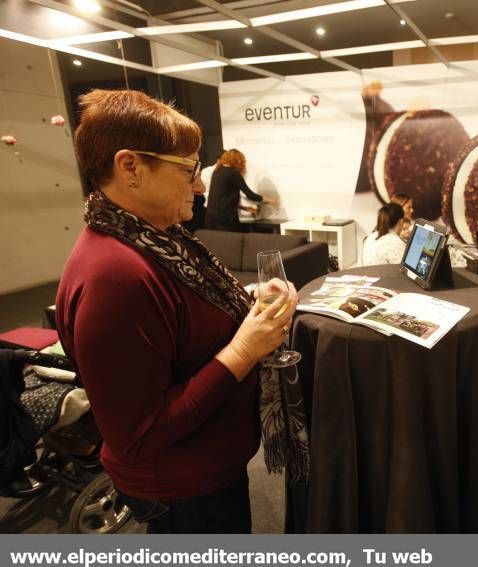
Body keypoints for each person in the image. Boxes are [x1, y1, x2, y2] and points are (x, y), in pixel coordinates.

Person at [55, 90, 299, 534]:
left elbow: (181, 316)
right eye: (189, 169)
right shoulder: (115, 275)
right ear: (130, 167)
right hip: (183, 486)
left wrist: (246, 296)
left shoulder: (156, 241)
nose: (201, 185)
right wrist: (246, 347)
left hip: (205, 471)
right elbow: (139, 434)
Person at [206, 149, 276, 232]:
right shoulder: (233, 173)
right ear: (238, 161)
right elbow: (250, 195)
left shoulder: (217, 171)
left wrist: (244, 208)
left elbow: (222, 198)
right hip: (225, 221)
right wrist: (270, 200)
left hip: (211, 219)